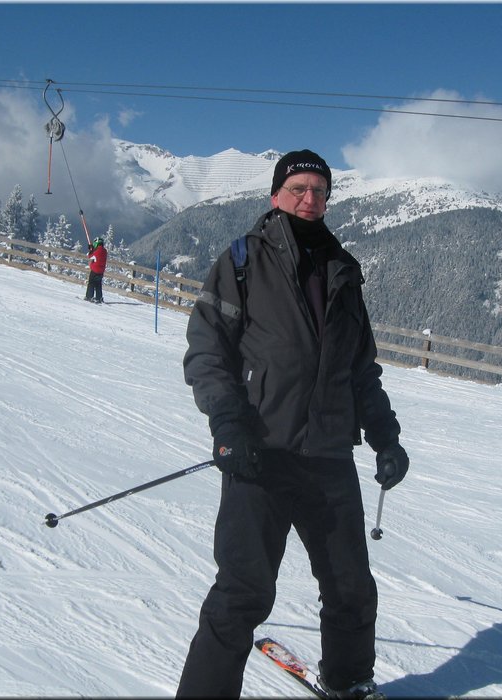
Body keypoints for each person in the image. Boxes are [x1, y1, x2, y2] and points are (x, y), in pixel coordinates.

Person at [177, 150, 410, 699]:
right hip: (260, 454)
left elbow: (360, 369)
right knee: (243, 592)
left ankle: (350, 682)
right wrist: (228, 425)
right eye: (299, 188)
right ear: (276, 195)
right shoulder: (242, 261)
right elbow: (207, 351)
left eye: (320, 191)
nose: (310, 199)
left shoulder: (343, 269)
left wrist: (386, 437)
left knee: (351, 587)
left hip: (328, 458)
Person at [85, 237, 107, 303]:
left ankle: (89, 296)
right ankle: (99, 298)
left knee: (91, 283)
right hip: (101, 271)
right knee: (98, 284)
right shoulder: (105, 251)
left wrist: (91, 250)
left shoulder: (96, 251)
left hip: (95, 270)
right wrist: (92, 249)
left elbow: (90, 256)